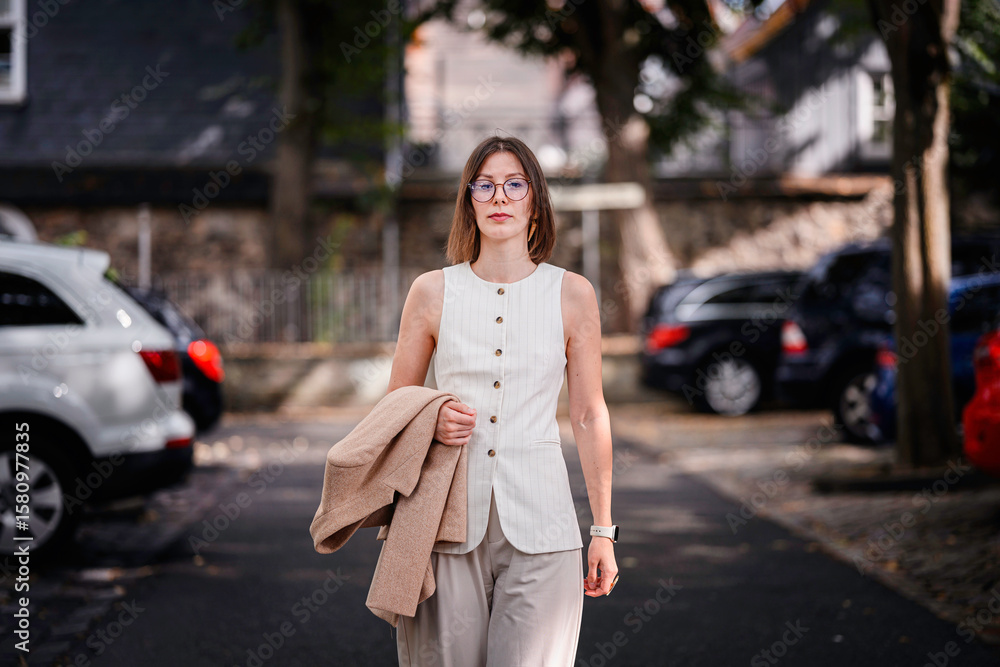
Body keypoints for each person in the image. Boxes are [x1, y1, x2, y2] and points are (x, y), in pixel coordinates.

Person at [385, 135, 617, 666]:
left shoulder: (572, 293)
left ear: (534, 199)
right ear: (469, 200)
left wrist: (603, 530)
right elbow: (396, 403)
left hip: (544, 524)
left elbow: (588, 414)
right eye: (484, 185)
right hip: (444, 522)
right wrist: (432, 415)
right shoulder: (431, 291)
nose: (499, 197)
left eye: (515, 184)